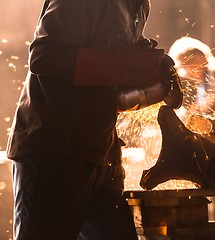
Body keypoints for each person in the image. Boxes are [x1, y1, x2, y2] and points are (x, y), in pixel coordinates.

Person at [6, 0, 173, 239]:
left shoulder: (139, 4)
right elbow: (45, 56)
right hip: (54, 154)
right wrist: (124, 67)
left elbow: (106, 74)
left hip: (102, 154)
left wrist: (147, 71)